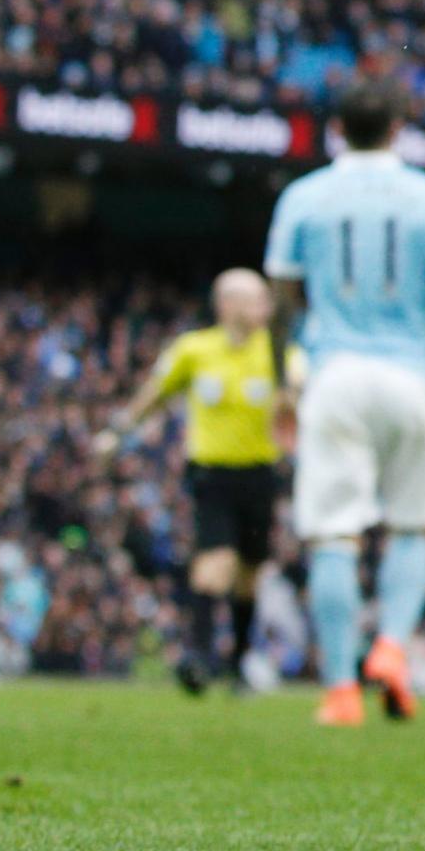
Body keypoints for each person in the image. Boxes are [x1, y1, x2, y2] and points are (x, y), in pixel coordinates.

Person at [264, 80, 425, 728]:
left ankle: (339, 687)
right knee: (413, 522)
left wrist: (283, 379)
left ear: (337, 129)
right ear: (397, 127)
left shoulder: (304, 195)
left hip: (333, 372)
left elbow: (280, 303)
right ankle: (390, 644)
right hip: (411, 374)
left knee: (334, 529)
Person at [97, 268, 295, 693]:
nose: (265, 308)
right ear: (227, 305)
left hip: (261, 475)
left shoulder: (278, 353)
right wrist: (118, 432)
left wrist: (293, 401)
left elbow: (299, 393)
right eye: (255, 299)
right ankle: (200, 658)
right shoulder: (195, 350)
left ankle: (238, 663)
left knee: (247, 575)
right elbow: (155, 392)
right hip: (211, 474)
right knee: (213, 566)